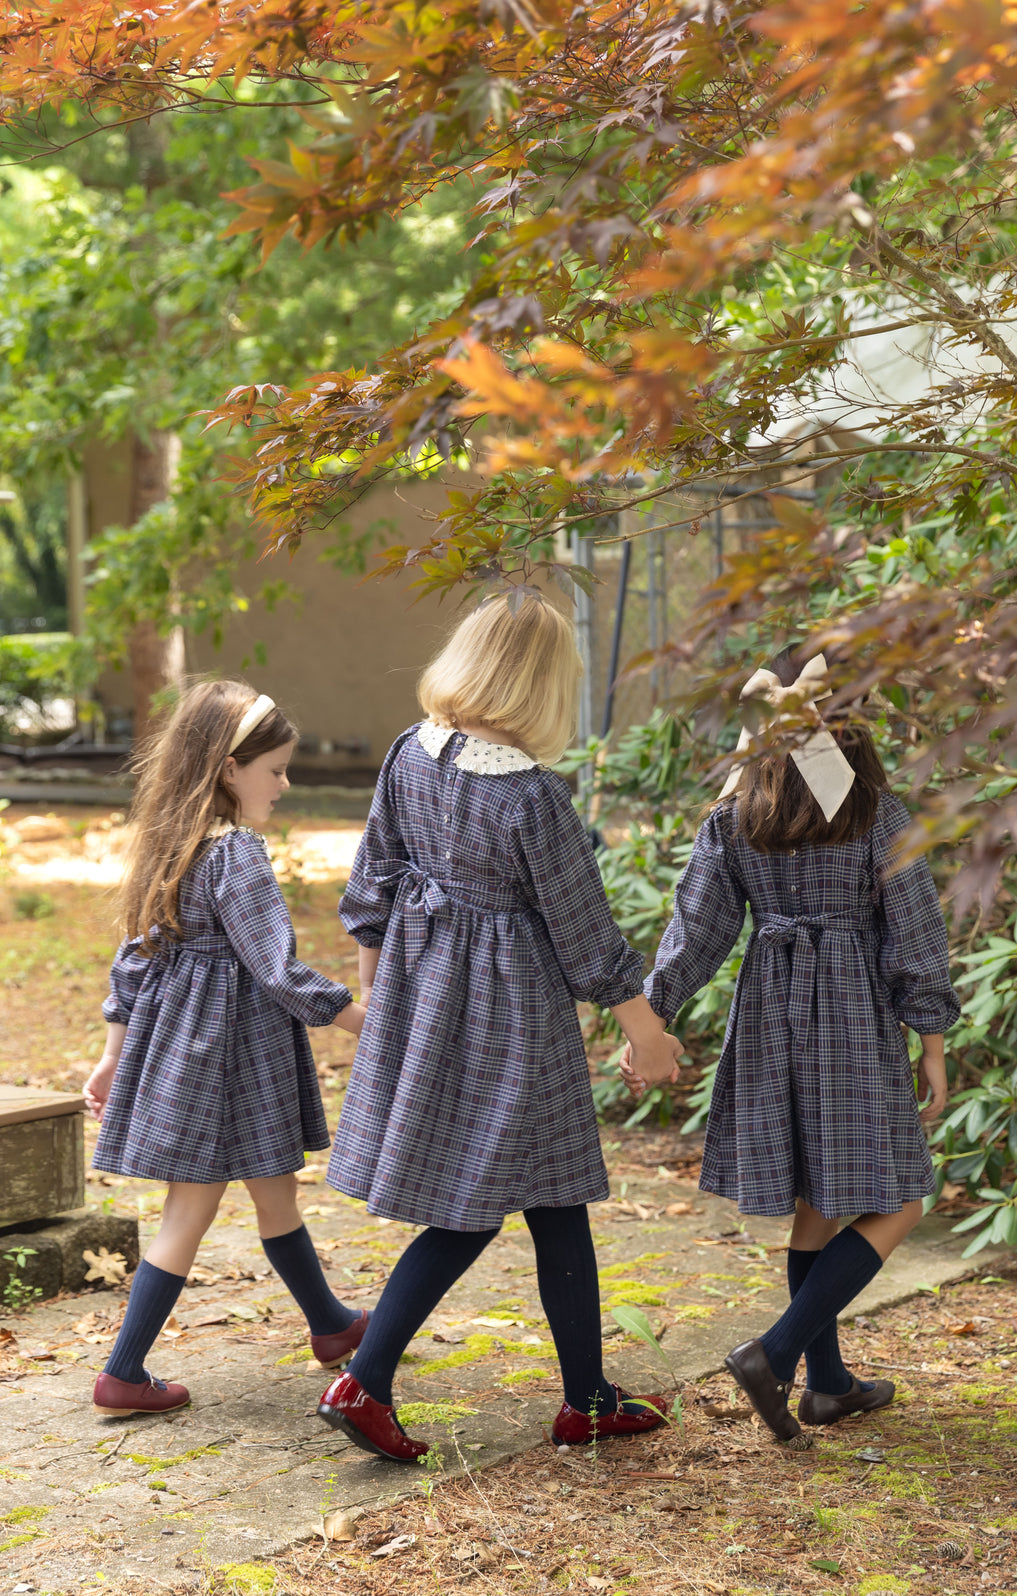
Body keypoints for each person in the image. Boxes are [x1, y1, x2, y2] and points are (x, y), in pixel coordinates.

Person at [317, 594, 684, 1461]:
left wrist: (382, 1007)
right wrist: (646, 1031)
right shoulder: (531, 797)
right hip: (511, 1021)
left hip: (427, 997)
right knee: (472, 1205)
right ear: (542, 682)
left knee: (558, 1198)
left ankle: (588, 1400)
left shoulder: (412, 752)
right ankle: (364, 1381)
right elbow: (585, 931)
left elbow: (371, 885)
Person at [622, 650, 960, 1442]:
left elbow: (697, 932)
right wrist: (932, 1039)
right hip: (850, 1016)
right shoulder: (878, 813)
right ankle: (773, 1355)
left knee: (816, 1204)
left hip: (771, 1011)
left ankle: (829, 1385)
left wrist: (652, 1017)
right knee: (901, 1199)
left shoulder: (735, 814)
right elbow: (914, 936)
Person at [83, 681, 369, 1418]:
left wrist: (115, 1052)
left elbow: (133, 959)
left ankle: (331, 1324)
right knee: (190, 1212)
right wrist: (362, 1019)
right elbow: (276, 968)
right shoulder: (237, 852)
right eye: (273, 768)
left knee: (274, 1188)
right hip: (230, 1053)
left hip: (188, 1044)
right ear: (226, 769)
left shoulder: (171, 844)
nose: (285, 782)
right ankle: (123, 1371)